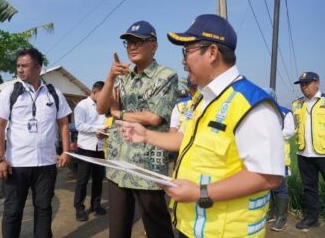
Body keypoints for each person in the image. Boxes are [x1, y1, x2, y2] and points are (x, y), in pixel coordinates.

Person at [117, 14, 284, 237]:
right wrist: (145, 135)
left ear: (212, 53)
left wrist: (200, 192)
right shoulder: (204, 100)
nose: (183, 61)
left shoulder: (252, 104)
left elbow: (268, 176)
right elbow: (186, 138)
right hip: (192, 225)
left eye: (187, 51)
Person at [96, 20, 177, 238]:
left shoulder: (165, 76)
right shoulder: (122, 76)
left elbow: (153, 116)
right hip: (118, 163)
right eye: (129, 42)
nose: (132, 46)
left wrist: (118, 114)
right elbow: (101, 107)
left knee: (157, 228)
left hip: (146, 165)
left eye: (139, 41)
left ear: (154, 46)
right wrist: (111, 77)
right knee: (118, 229)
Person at [0, 48, 71, 238]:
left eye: (24, 66)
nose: (19, 70)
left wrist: (66, 151)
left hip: (46, 164)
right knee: (13, 211)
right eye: (18, 66)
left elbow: (64, 124)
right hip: (16, 165)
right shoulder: (10, 91)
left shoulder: (53, 93)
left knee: (43, 209)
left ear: (38, 68)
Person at [292, 71, 325, 230]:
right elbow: (292, 128)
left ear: (317, 83)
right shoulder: (297, 104)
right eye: (302, 85)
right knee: (309, 188)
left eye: (307, 83)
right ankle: (313, 218)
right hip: (304, 154)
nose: (304, 87)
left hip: (323, 153)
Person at [73, 81, 107, 221]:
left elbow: (106, 123)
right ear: (94, 92)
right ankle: (79, 208)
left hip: (99, 147)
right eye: (102, 94)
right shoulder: (82, 106)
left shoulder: (104, 107)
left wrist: (104, 130)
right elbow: (79, 126)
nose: (104, 97)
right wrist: (96, 129)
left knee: (98, 178)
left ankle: (96, 205)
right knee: (83, 179)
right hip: (86, 148)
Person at [264, 88, 295, 232]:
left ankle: (281, 218)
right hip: (263, 156)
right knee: (267, 185)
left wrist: (273, 134)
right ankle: (270, 213)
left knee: (279, 186)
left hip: (279, 156)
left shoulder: (284, 112)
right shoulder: (260, 112)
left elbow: (290, 131)